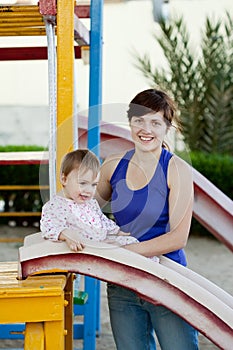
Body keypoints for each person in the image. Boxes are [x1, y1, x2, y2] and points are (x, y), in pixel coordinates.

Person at [95, 89, 199, 350]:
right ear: (130, 122)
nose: (146, 129)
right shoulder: (112, 166)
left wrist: (125, 252)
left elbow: (178, 237)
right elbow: (84, 210)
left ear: (167, 127)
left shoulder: (177, 170)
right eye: (139, 120)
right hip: (123, 283)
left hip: (167, 279)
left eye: (155, 122)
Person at [40, 149, 159, 257]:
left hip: (102, 242)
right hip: (89, 248)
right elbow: (48, 227)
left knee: (131, 243)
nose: (88, 190)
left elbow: (101, 219)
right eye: (82, 183)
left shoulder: (90, 203)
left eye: (94, 185)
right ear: (64, 179)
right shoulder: (56, 206)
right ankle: (144, 268)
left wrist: (116, 231)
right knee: (123, 253)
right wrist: (65, 234)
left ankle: (152, 266)